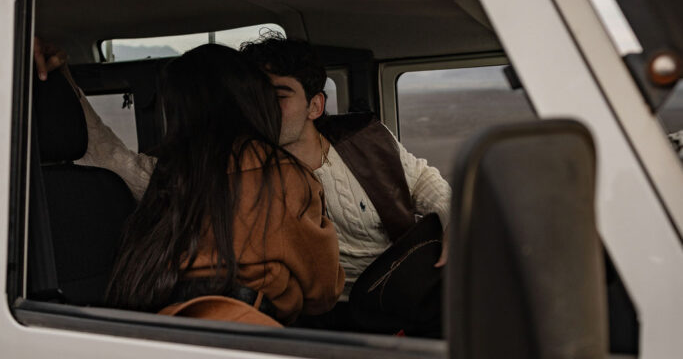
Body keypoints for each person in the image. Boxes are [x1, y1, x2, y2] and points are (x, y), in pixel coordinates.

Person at [48, 42, 343, 325]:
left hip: (162, 329)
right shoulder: (282, 173)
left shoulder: (163, 175)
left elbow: (108, 153)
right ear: (251, 98)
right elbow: (323, 293)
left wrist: (62, 77)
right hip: (249, 334)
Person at [240, 36, 452, 292]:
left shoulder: (367, 141)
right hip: (323, 313)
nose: (263, 109)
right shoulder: (245, 171)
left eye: (278, 97)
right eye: (255, 98)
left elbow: (422, 180)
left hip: (399, 285)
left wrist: (453, 221)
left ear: (315, 106)